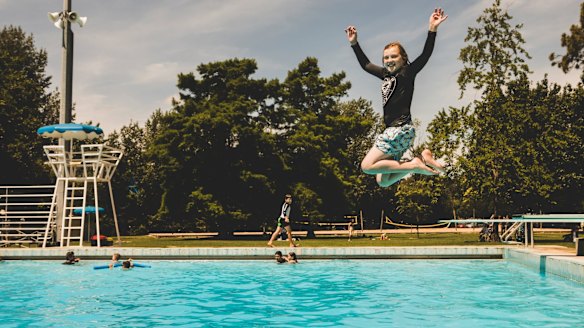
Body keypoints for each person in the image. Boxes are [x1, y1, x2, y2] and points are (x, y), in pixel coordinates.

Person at [345, 8, 448, 188]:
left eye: (394, 56)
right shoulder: (385, 75)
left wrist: (432, 29)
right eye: (386, 57)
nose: (389, 60)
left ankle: (415, 164)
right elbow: (366, 64)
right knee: (383, 180)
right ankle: (421, 159)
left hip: (399, 129)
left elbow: (425, 55)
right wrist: (354, 44)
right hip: (399, 133)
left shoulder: (407, 73)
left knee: (367, 166)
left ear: (403, 59)